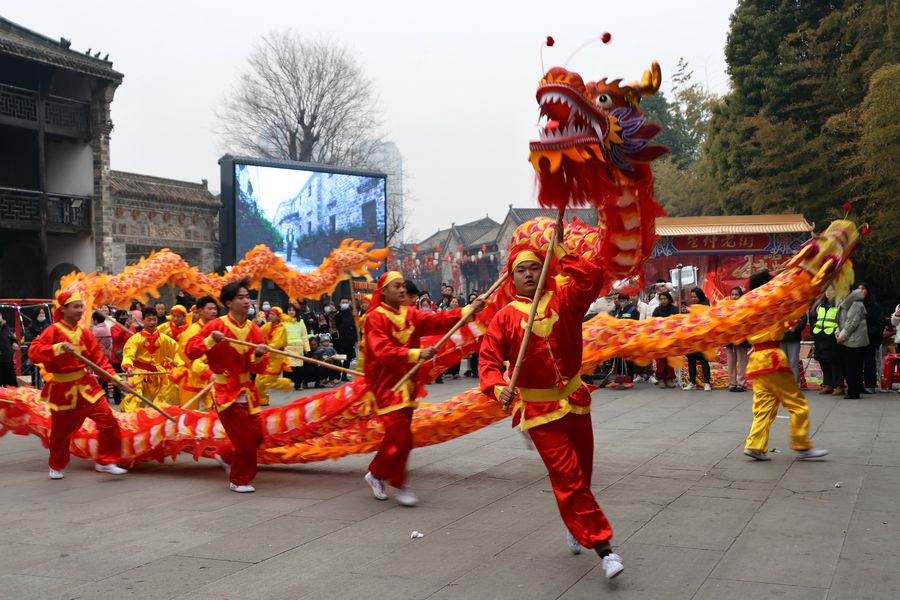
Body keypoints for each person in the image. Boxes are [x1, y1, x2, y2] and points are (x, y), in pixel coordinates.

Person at [479, 219, 624, 580]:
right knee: (568, 476)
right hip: (540, 412)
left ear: (545, 270)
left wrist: (561, 250)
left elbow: (591, 279)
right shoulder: (504, 318)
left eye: (534, 267)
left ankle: (576, 524)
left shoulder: (565, 298)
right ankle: (604, 548)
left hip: (575, 399)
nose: (528, 274)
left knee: (583, 475)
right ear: (511, 280)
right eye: (521, 270)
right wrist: (499, 388)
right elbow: (488, 362)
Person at [362, 271, 484, 507]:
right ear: (383, 291)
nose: (401, 290)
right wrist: (417, 354)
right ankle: (399, 483)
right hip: (386, 386)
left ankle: (376, 473)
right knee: (402, 438)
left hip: (407, 384)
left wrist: (469, 311)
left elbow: (438, 321)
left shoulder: (410, 313)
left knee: (395, 437)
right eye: (396, 286)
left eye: (402, 286)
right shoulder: (375, 318)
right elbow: (382, 351)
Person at [28, 290, 132, 479]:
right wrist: (57, 348)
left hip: (86, 385)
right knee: (61, 433)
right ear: (64, 309)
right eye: (76, 307)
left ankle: (105, 460)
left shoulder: (85, 332)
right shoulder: (53, 331)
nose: (80, 310)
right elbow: (34, 352)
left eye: (81, 306)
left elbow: (100, 360)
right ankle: (56, 464)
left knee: (108, 420)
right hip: (63, 389)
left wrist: (116, 380)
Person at [185, 278, 270, 493]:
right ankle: (239, 479)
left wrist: (259, 356)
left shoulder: (254, 329)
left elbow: (259, 369)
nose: (246, 301)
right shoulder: (217, 326)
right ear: (228, 302)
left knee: (258, 435)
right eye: (240, 297)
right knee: (245, 441)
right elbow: (191, 351)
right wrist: (211, 340)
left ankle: (224, 455)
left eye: (247, 296)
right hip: (225, 392)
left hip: (246, 391)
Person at [742, 271, 829, 461]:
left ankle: (754, 445)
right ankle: (801, 445)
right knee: (797, 404)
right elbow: (793, 314)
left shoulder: (749, 307)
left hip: (757, 360)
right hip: (772, 359)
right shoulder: (772, 304)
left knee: (764, 405)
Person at [120, 307, 182, 411]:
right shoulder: (135, 339)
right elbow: (128, 354)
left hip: (159, 374)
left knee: (162, 401)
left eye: (154, 319)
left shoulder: (164, 339)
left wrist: (180, 365)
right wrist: (128, 366)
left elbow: (177, 352)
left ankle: (157, 421)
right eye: (149, 320)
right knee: (135, 399)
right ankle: (132, 422)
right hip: (138, 374)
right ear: (143, 321)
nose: (152, 322)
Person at [255, 307, 293, 406]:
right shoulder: (268, 325)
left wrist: (264, 349)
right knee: (258, 381)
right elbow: (258, 332)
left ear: (278, 317)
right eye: (270, 314)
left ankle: (286, 384)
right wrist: (255, 325)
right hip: (266, 354)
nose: (270, 316)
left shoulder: (281, 328)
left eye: (273, 314)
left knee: (268, 380)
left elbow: (276, 344)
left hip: (276, 357)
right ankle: (262, 400)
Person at [837, 286, 868, 399]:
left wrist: (842, 336)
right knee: (847, 365)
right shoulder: (844, 302)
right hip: (847, 338)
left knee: (852, 367)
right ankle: (853, 388)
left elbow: (852, 323)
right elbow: (840, 320)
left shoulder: (856, 304)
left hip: (855, 339)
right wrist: (838, 332)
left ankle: (854, 392)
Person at [811, 286, 844, 396]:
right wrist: (813, 329)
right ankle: (828, 384)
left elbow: (842, 320)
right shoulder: (820, 305)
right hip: (820, 337)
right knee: (823, 361)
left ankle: (839, 385)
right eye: (827, 290)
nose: (829, 293)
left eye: (831, 290)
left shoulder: (839, 305)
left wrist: (839, 332)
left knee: (836, 362)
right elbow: (813, 318)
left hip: (833, 337)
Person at [606, 293, 640, 389]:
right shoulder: (618, 311)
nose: (621, 303)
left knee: (628, 361)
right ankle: (618, 380)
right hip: (618, 339)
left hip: (629, 339)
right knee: (618, 361)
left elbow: (635, 325)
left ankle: (629, 380)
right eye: (620, 301)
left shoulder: (633, 311)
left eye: (623, 301)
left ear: (627, 300)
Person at [683, 288, 712, 391]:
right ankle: (692, 382)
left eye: (695, 296)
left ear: (700, 296)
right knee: (691, 360)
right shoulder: (691, 307)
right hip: (692, 337)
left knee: (704, 360)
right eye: (692, 297)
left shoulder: (706, 306)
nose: (693, 299)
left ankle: (707, 382)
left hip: (702, 338)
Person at [859, 282, 883, 393]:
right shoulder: (854, 304)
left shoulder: (874, 305)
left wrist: (869, 333)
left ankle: (870, 384)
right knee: (857, 362)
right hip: (857, 339)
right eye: (859, 289)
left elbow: (879, 323)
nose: (861, 291)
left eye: (863, 289)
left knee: (869, 362)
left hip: (869, 339)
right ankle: (858, 385)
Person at [725, 287, 751, 392]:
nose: (734, 296)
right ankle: (732, 383)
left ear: (741, 296)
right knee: (731, 362)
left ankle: (742, 383)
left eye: (736, 294)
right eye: (732, 294)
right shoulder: (727, 308)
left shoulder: (745, 307)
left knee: (742, 362)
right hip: (730, 339)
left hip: (742, 339)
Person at [651, 291, 678, 388]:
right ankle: (661, 379)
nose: (663, 301)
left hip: (671, 338)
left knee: (670, 359)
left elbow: (677, 323)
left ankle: (670, 379)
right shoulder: (657, 310)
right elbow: (653, 323)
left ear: (669, 299)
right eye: (661, 299)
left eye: (664, 299)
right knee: (660, 360)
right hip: (660, 338)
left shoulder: (674, 309)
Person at [283, 304, 311, 391]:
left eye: (293, 310)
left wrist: (307, 349)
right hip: (288, 348)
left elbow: (304, 336)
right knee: (288, 367)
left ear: (296, 311)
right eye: (289, 310)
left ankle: (298, 385)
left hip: (299, 348)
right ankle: (286, 384)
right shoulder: (283, 322)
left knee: (299, 368)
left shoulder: (300, 322)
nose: (291, 311)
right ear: (286, 311)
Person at [334, 295, 358, 381]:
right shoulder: (336, 312)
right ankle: (336, 376)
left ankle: (344, 375)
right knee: (339, 358)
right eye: (343, 303)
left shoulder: (352, 312)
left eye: (346, 303)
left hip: (350, 339)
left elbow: (355, 326)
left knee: (348, 358)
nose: (344, 304)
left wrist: (355, 338)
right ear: (340, 303)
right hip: (339, 339)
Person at [780, 312, 808, 386]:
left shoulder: (798, 307)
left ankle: (795, 384)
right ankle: (783, 383)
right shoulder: (779, 306)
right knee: (782, 362)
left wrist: (795, 328)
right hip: (780, 338)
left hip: (793, 339)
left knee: (793, 362)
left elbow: (803, 320)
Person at [0, 315, 19, 387]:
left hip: (7, 360)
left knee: (11, 387)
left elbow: (11, 337)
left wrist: (14, 342)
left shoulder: (5, 327)